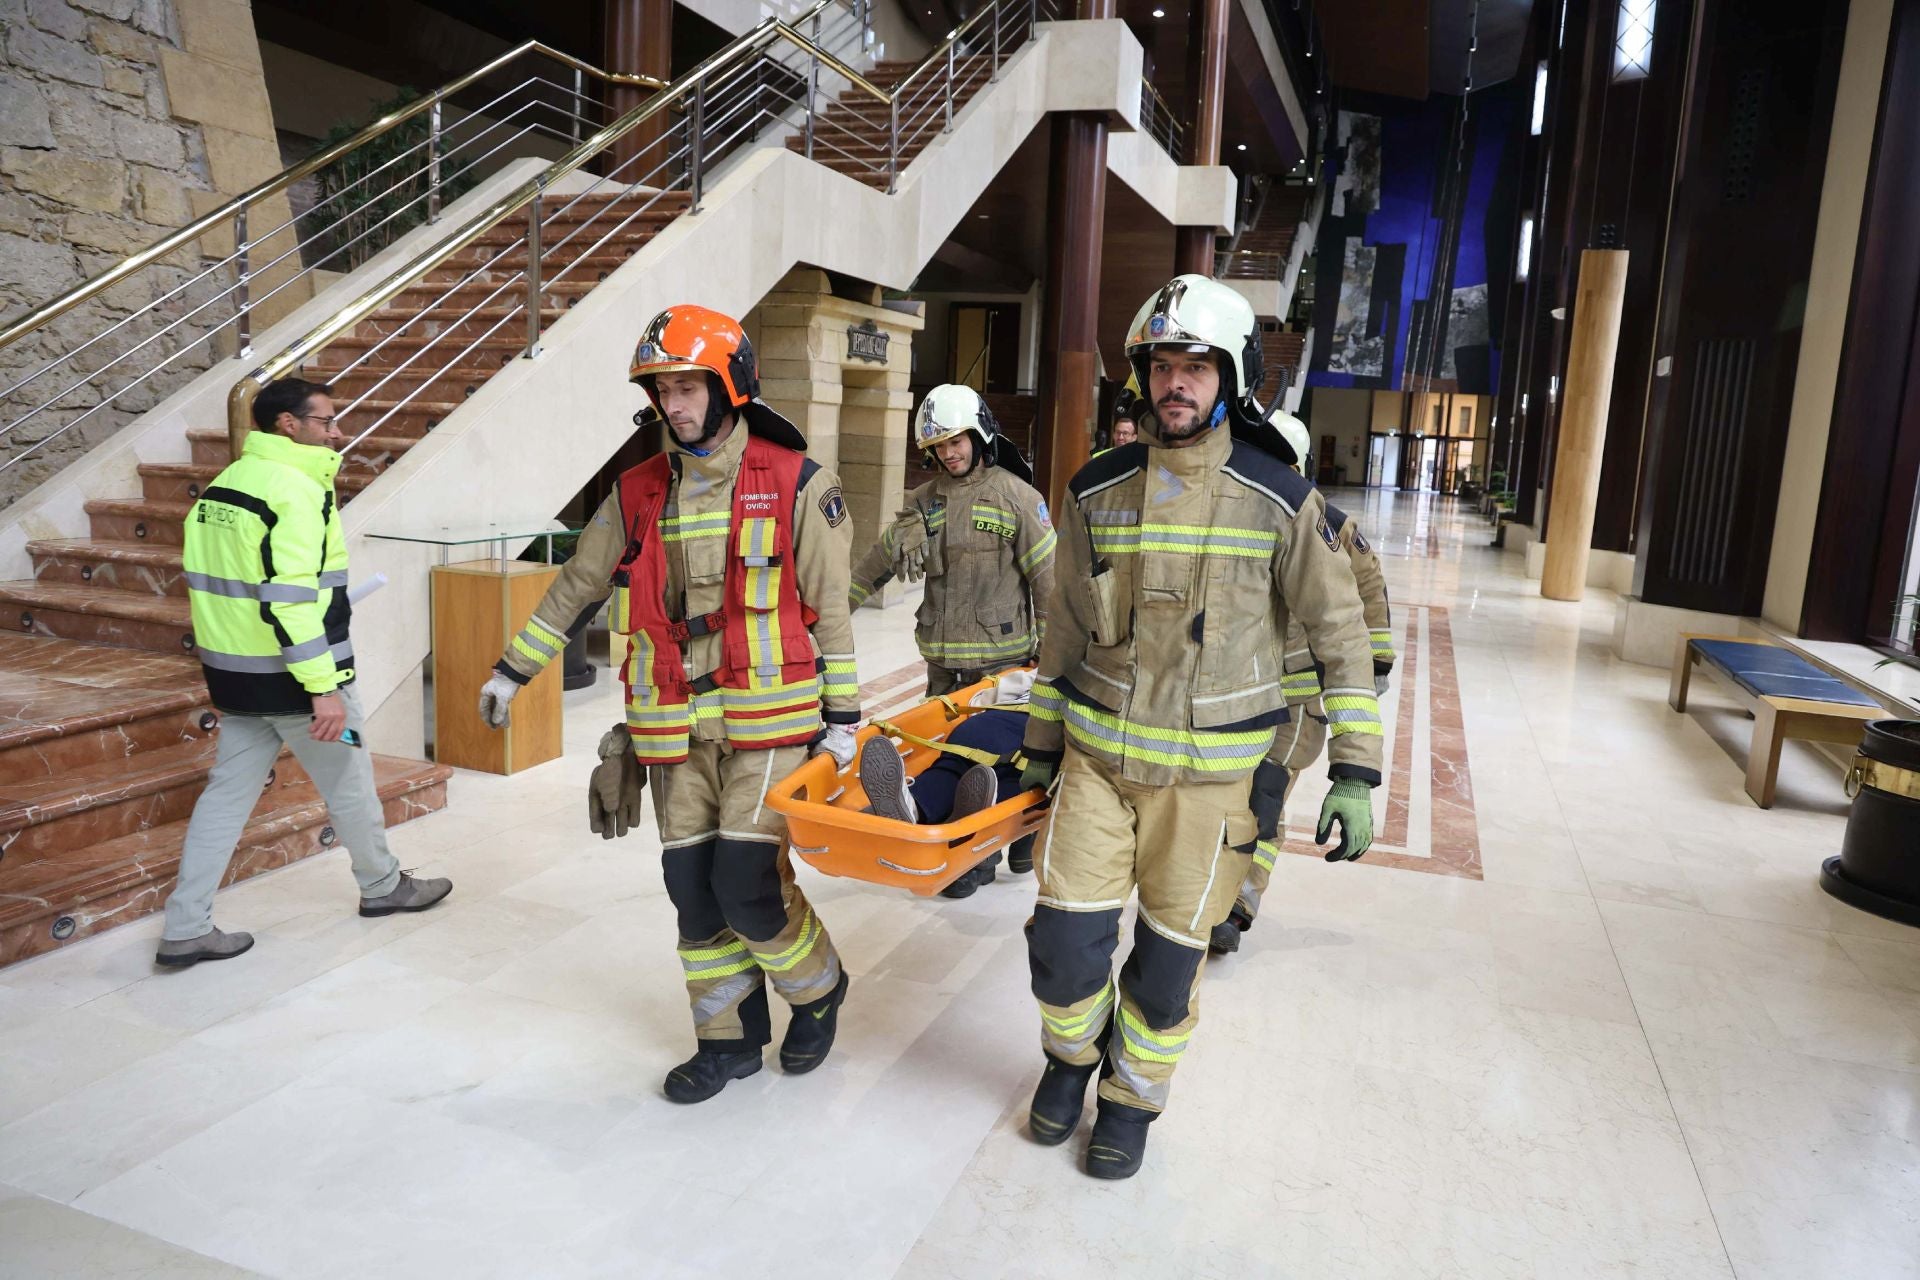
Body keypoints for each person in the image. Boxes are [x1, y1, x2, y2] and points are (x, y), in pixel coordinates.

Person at [1016, 275, 1384, 1179]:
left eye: (1196, 366)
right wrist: (1037, 749)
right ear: (1141, 377)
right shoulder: (1094, 490)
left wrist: (1355, 769)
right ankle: (1070, 1061)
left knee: (1168, 969)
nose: (1176, 382)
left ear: (1233, 378)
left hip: (1211, 783)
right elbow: (1064, 628)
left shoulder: (1279, 497)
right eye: (1161, 365)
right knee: (1065, 951)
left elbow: (1341, 637)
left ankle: (1131, 1100)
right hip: (1101, 764)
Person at [476, 305, 857, 1105]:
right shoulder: (637, 492)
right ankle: (728, 1041)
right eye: (662, 389)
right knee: (693, 893)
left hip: (772, 723)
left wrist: (846, 720)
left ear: (730, 385)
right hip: (672, 726)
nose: (673, 404)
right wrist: (515, 670)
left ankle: (817, 989)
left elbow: (833, 606)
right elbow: (577, 585)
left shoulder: (796, 481)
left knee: (747, 884)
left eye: (688, 386)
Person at [157, 379, 451, 967]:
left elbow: (220, 591)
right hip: (300, 682)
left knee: (224, 800)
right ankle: (383, 887)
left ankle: (186, 926)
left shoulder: (223, 487)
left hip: (237, 681)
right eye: (326, 421)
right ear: (288, 425)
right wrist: (324, 689)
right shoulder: (294, 490)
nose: (337, 431)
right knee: (350, 784)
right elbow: (289, 601)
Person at [848, 383, 1054, 887]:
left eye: (957, 440)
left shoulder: (1018, 498)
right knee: (947, 754)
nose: (949, 453)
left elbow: (1049, 582)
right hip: (943, 666)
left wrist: (1052, 661)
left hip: (1001, 669)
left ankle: (999, 847)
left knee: (995, 757)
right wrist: (826, 621)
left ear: (980, 434)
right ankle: (951, 847)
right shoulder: (921, 504)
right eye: (938, 446)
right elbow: (870, 569)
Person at [1211, 409, 1396, 954]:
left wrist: (1374, 668)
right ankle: (1205, 889)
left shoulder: (1334, 528)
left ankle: (1240, 900)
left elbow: (1368, 600)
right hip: (1234, 691)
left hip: (1297, 698)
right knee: (1226, 797)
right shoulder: (1234, 514)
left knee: (1265, 798)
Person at [856, 670, 1034, 898]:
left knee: (951, 766)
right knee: (1016, 777)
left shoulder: (1045, 672)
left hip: (984, 723)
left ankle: (915, 805)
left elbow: (988, 694)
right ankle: (972, 822)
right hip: (1035, 735)